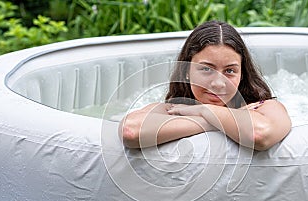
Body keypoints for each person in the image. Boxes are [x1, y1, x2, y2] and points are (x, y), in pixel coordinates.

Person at [119, 20, 291, 151]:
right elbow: (131, 131)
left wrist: (204, 111)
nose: (217, 83)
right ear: (186, 70)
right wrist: (213, 121)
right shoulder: (173, 108)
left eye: (230, 71)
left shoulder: (263, 108)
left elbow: (259, 134)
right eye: (206, 69)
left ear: (242, 74)